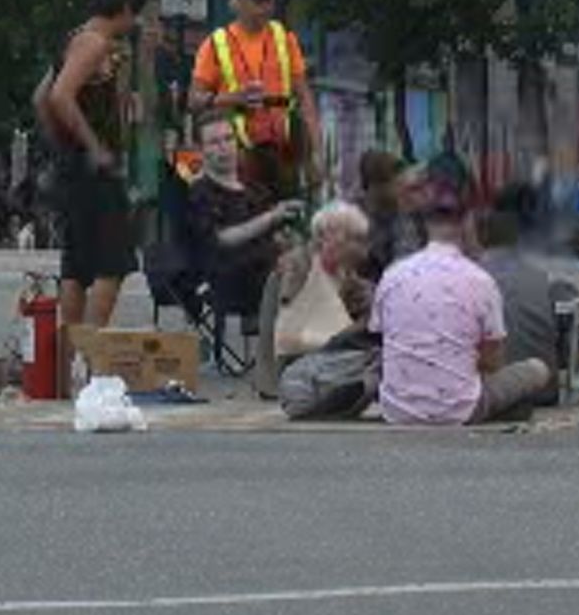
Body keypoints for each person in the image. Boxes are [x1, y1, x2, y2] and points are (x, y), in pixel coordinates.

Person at [373, 179, 553, 425]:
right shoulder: (480, 280)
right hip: (459, 410)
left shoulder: (392, 274)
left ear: (424, 228)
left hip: (396, 409)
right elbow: (493, 363)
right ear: (469, 226)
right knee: (537, 369)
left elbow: (383, 339)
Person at [34, 0, 147, 328]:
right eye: (135, 14)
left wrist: (61, 142)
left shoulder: (76, 38)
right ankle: (93, 350)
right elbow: (59, 95)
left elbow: (40, 98)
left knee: (77, 264)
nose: (135, 23)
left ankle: (69, 359)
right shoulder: (95, 43)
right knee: (114, 261)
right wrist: (93, 145)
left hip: (72, 165)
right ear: (125, 8)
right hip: (93, 169)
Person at [188, 0, 323, 200]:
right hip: (240, 160)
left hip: (284, 156)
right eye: (259, 2)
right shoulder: (216, 44)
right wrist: (233, 99)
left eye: (270, 1)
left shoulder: (284, 38)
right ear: (239, 3)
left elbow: (304, 97)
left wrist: (315, 155)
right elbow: (193, 100)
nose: (266, 8)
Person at [186, 113, 304, 346]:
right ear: (201, 151)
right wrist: (271, 217)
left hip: (266, 268)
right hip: (224, 277)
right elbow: (223, 239)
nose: (224, 147)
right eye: (214, 142)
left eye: (229, 139)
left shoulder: (252, 187)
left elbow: (276, 232)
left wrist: (290, 234)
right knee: (293, 266)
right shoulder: (199, 192)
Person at [257, 200, 375, 399]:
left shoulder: (343, 270)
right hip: (296, 373)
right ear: (325, 236)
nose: (361, 248)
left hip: (320, 361)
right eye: (352, 238)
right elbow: (290, 338)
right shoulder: (297, 267)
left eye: (362, 240)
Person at [476, 185, 562, 397]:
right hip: (544, 390)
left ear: (479, 238)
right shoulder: (541, 277)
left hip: (490, 391)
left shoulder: (468, 280)